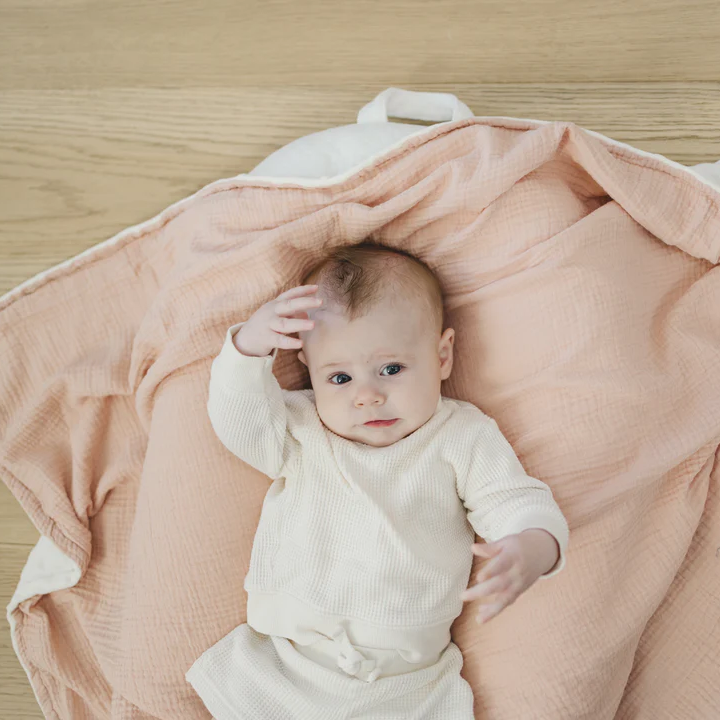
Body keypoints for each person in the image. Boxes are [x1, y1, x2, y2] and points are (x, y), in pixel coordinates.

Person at [186, 242, 569, 719]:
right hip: (285, 665)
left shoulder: (461, 436)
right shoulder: (302, 430)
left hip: (408, 683)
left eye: (391, 369)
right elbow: (237, 420)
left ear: (443, 355)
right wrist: (248, 348)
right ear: (307, 367)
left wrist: (533, 544)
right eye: (340, 378)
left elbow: (512, 499)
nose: (367, 396)